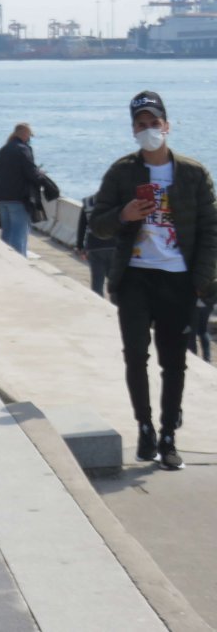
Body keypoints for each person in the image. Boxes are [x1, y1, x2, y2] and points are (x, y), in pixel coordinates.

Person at [90, 90, 217, 470]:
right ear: (133, 130)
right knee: (135, 356)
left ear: (167, 125)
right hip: (134, 277)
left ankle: (168, 434)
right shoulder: (121, 172)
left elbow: (212, 230)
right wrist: (125, 215)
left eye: (154, 123)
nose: (149, 130)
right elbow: (98, 224)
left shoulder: (193, 174)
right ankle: (144, 426)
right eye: (141, 124)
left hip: (177, 281)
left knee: (174, 360)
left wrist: (199, 281)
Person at [0, 123, 39, 256]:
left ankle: (4, 261)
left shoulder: (3, 150)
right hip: (18, 199)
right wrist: (40, 175)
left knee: (7, 233)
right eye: (29, 135)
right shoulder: (23, 149)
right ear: (24, 133)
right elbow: (31, 173)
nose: (29, 139)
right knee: (19, 235)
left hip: (2, 198)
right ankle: (18, 264)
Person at [77, 192, 116, 297]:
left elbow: (82, 227)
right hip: (114, 246)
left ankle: (99, 306)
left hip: (94, 247)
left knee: (97, 282)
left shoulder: (87, 202)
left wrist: (80, 247)